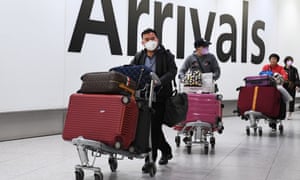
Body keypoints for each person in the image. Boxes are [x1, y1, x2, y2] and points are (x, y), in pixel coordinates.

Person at [130, 28, 177, 172]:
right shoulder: (139, 56)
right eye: (147, 39)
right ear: (142, 42)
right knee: (149, 127)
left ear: (158, 39)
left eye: (153, 38)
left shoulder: (166, 55)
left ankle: (150, 160)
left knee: (154, 128)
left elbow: (172, 71)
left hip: (161, 97)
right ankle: (166, 149)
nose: (151, 41)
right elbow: (131, 70)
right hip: (143, 97)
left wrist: (159, 81)